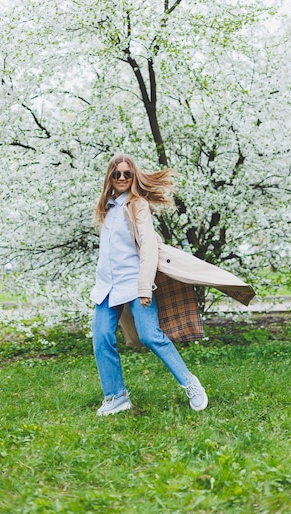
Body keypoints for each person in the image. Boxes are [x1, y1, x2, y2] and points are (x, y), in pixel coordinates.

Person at [90, 154, 209, 416]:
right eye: (116, 174)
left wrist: (144, 287)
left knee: (150, 335)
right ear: (109, 177)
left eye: (126, 174)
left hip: (135, 283)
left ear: (133, 177)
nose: (121, 178)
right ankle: (116, 396)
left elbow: (148, 248)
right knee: (100, 336)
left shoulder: (137, 206)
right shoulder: (107, 208)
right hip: (108, 286)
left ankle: (190, 382)